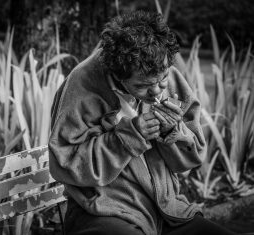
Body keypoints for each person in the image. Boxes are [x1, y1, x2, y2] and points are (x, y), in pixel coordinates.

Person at [48, 11, 236, 235]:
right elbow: (65, 164)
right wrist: (128, 137)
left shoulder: (159, 67)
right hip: (103, 212)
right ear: (118, 75)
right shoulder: (81, 87)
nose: (157, 91)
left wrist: (173, 132)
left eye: (163, 78)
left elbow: (191, 158)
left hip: (165, 209)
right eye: (142, 85)